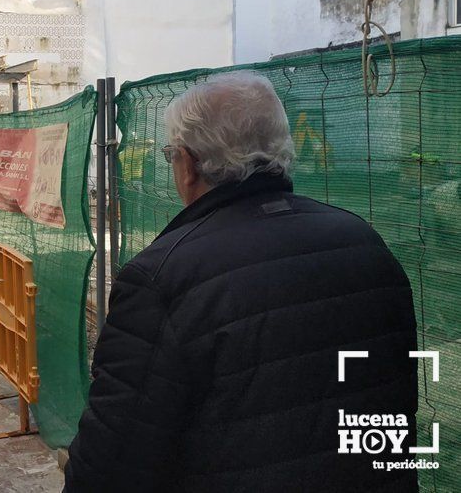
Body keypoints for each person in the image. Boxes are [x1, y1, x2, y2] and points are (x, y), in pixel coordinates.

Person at [65, 72, 418, 492]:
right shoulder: (366, 244)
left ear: (188, 163)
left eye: (170, 156)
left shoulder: (161, 279)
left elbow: (112, 461)